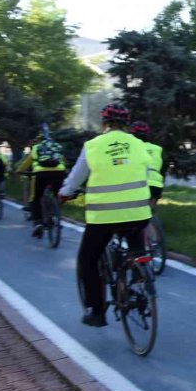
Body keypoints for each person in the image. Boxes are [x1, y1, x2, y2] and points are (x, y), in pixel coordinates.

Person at [59, 103, 151, 327]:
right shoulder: (139, 145)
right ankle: (140, 277)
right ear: (127, 125)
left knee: (87, 260)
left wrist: (64, 193)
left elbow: (77, 176)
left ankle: (97, 312)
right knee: (137, 249)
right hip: (138, 212)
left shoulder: (93, 145)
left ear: (104, 123)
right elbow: (144, 173)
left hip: (104, 217)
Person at [16, 131, 67, 238]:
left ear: (40, 140)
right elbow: (63, 161)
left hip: (41, 174)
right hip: (59, 173)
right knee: (57, 194)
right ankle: (55, 215)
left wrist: (19, 171)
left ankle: (38, 222)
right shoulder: (57, 147)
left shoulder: (36, 148)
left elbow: (26, 163)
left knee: (35, 197)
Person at [129, 121, 164, 209]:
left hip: (139, 184)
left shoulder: (131, 148)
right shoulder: (157, 149)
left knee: (138, 212)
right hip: (156, 184)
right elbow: (161, 169)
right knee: (151, 211)